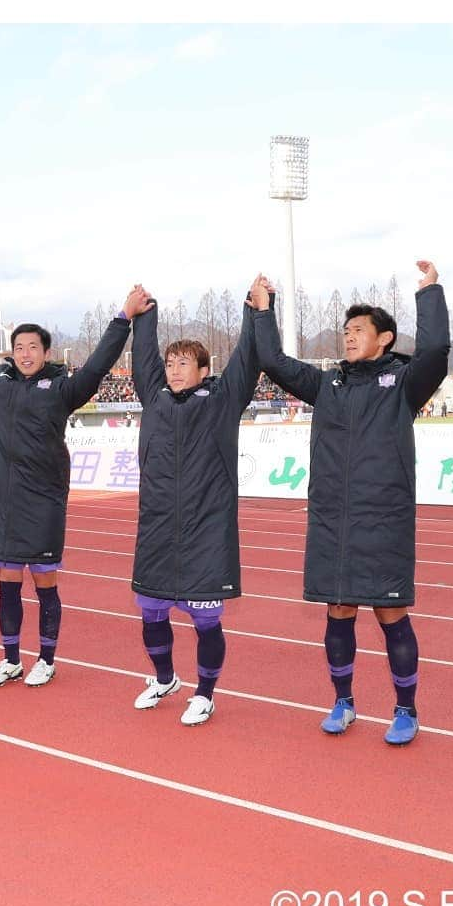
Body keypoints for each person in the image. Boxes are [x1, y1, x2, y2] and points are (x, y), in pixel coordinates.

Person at [251, 260, 449, 746]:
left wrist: (430, 292)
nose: (348, 336)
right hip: (332, 521)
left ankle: (406, 709)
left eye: (358, 330)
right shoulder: (327, 386)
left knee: (390, 615)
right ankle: (343, 701)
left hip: (384, 520)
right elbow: (273, 362)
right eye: (345, 331)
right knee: (337, 613)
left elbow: (439, 350)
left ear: (384, 338)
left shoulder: (404, 385)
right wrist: (262, 309)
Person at [0, 285, 149, 687]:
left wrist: (123, 318)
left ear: (46, 353)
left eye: (33, 346)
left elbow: (99, 364)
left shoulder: (63, 389)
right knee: (7, 584)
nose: (25, 353)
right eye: (19, 347)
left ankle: (46, 659)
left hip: (43, 503)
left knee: (44, 583)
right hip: (1, 503)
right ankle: (11, 658)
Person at [129, 279, 266, 726]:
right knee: (151, 613)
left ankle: (205, 693)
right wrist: (144, 315)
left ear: (204, 369)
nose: (173, 370)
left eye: (183, 363)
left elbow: (248, 359)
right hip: (157, 529)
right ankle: (165, 677)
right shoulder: (155, 398)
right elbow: (143, 359)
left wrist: (256, 310)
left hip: (207, 532)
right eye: (170, 363)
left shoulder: (223, 400)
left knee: (206, 621)